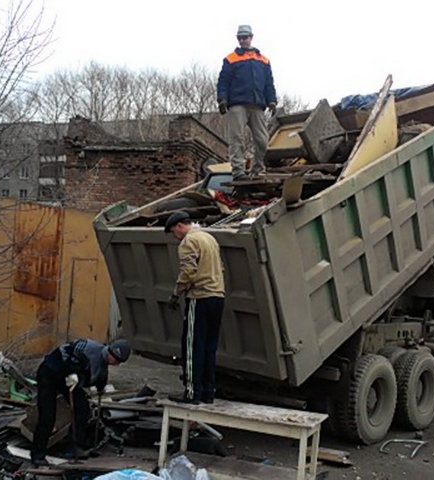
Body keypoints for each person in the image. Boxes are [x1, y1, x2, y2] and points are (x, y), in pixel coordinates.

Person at [31, 338, 131, 466]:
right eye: (116, 360)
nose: (116, 364)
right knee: (47, 416)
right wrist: (72, 371)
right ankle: (38, 454)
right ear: (110, 353)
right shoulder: (88, 348)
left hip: (71, 380)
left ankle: (72, 447)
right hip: (50, 373)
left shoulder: (103, 362)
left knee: (83, 409)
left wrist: (101, 387)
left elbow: (100, 375)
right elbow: (66, 353)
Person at [164, 211, 225, 404]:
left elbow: (188, 271)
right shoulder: (210, 238)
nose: (175, 236)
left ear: (180, 226)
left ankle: (191, 393)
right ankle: (208, 392)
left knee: (192, 347)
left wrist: (176, 293)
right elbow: (221, 267)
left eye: (174, 231)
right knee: (209, 347)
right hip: (217, 297)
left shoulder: (188, 242)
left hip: (199, 298)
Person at [216, 24, 277, 180]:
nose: (243, 40)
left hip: (258, 105)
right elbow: (223, 81)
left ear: (251, 37)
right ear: (238, 39)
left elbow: (269, 83)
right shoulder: (231, 59)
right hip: (238, 104)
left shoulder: (263, 60)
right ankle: (238, 171)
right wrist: (222, 99)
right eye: (240, 37)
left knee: (263, 140)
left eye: (245, 37)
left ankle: (257, 170)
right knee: (237, 138)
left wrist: (272, 101)